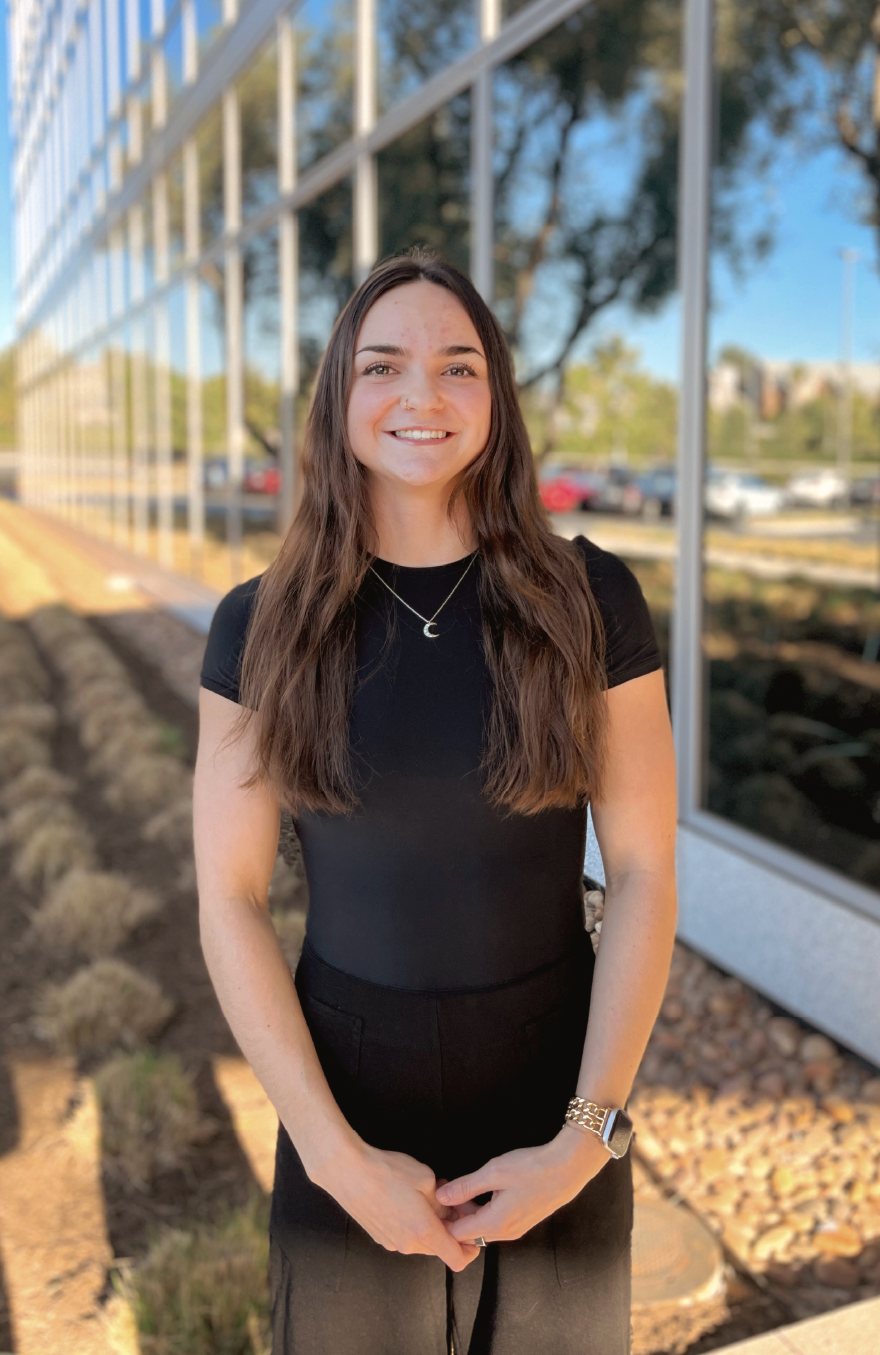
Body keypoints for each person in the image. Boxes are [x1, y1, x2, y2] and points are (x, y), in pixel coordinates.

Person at [194, 247, 677, 1355]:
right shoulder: (259, 625)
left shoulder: (588, 596)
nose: (423, 394)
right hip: (345, 1087)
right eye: (384, 365)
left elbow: (646, 869)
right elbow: (227, 897)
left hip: (556, 1075)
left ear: (496, 399)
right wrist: (328, 1151)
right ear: (339, 397)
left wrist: (586, 1134)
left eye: (460, 367)